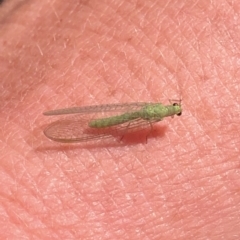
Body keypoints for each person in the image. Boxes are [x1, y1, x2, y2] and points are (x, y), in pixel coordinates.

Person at [0, 0, 239, 239]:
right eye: (175, 107)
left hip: (130, 114)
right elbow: (142, 125)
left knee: (120, 119)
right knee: (115, 123)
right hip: (126, 119)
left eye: (174, 108)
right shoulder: (155, 118)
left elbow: (139, 118)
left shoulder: (154, 109)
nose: (174, 108)